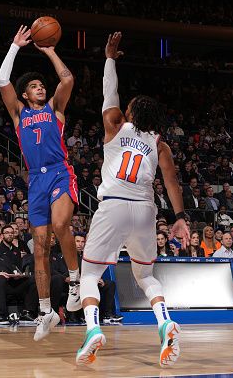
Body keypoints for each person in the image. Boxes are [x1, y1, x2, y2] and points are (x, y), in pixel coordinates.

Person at [75, 33, 190, 367]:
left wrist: (110, 58)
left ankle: (93, 329)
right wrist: (180, 216)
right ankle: (165, 322)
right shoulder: (160, 144)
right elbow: (170, 182)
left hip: (113, 204)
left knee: (89, 274)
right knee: (145, 275)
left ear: (131, 112)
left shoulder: (114, 125)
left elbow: (108, 92)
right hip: (145, 210)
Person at [0, 25, 80, 340]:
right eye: (33, 86)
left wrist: (49, 51)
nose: (40, 87)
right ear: (25, 94)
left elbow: (67, 79)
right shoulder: (18, 113)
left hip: (60, 171)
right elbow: (3, 80)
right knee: (40, 249)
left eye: (41, 84)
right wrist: (15, 46)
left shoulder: (55, 109)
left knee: (62, 226)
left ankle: (75, 280)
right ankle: (46, 312)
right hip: (35, 182)